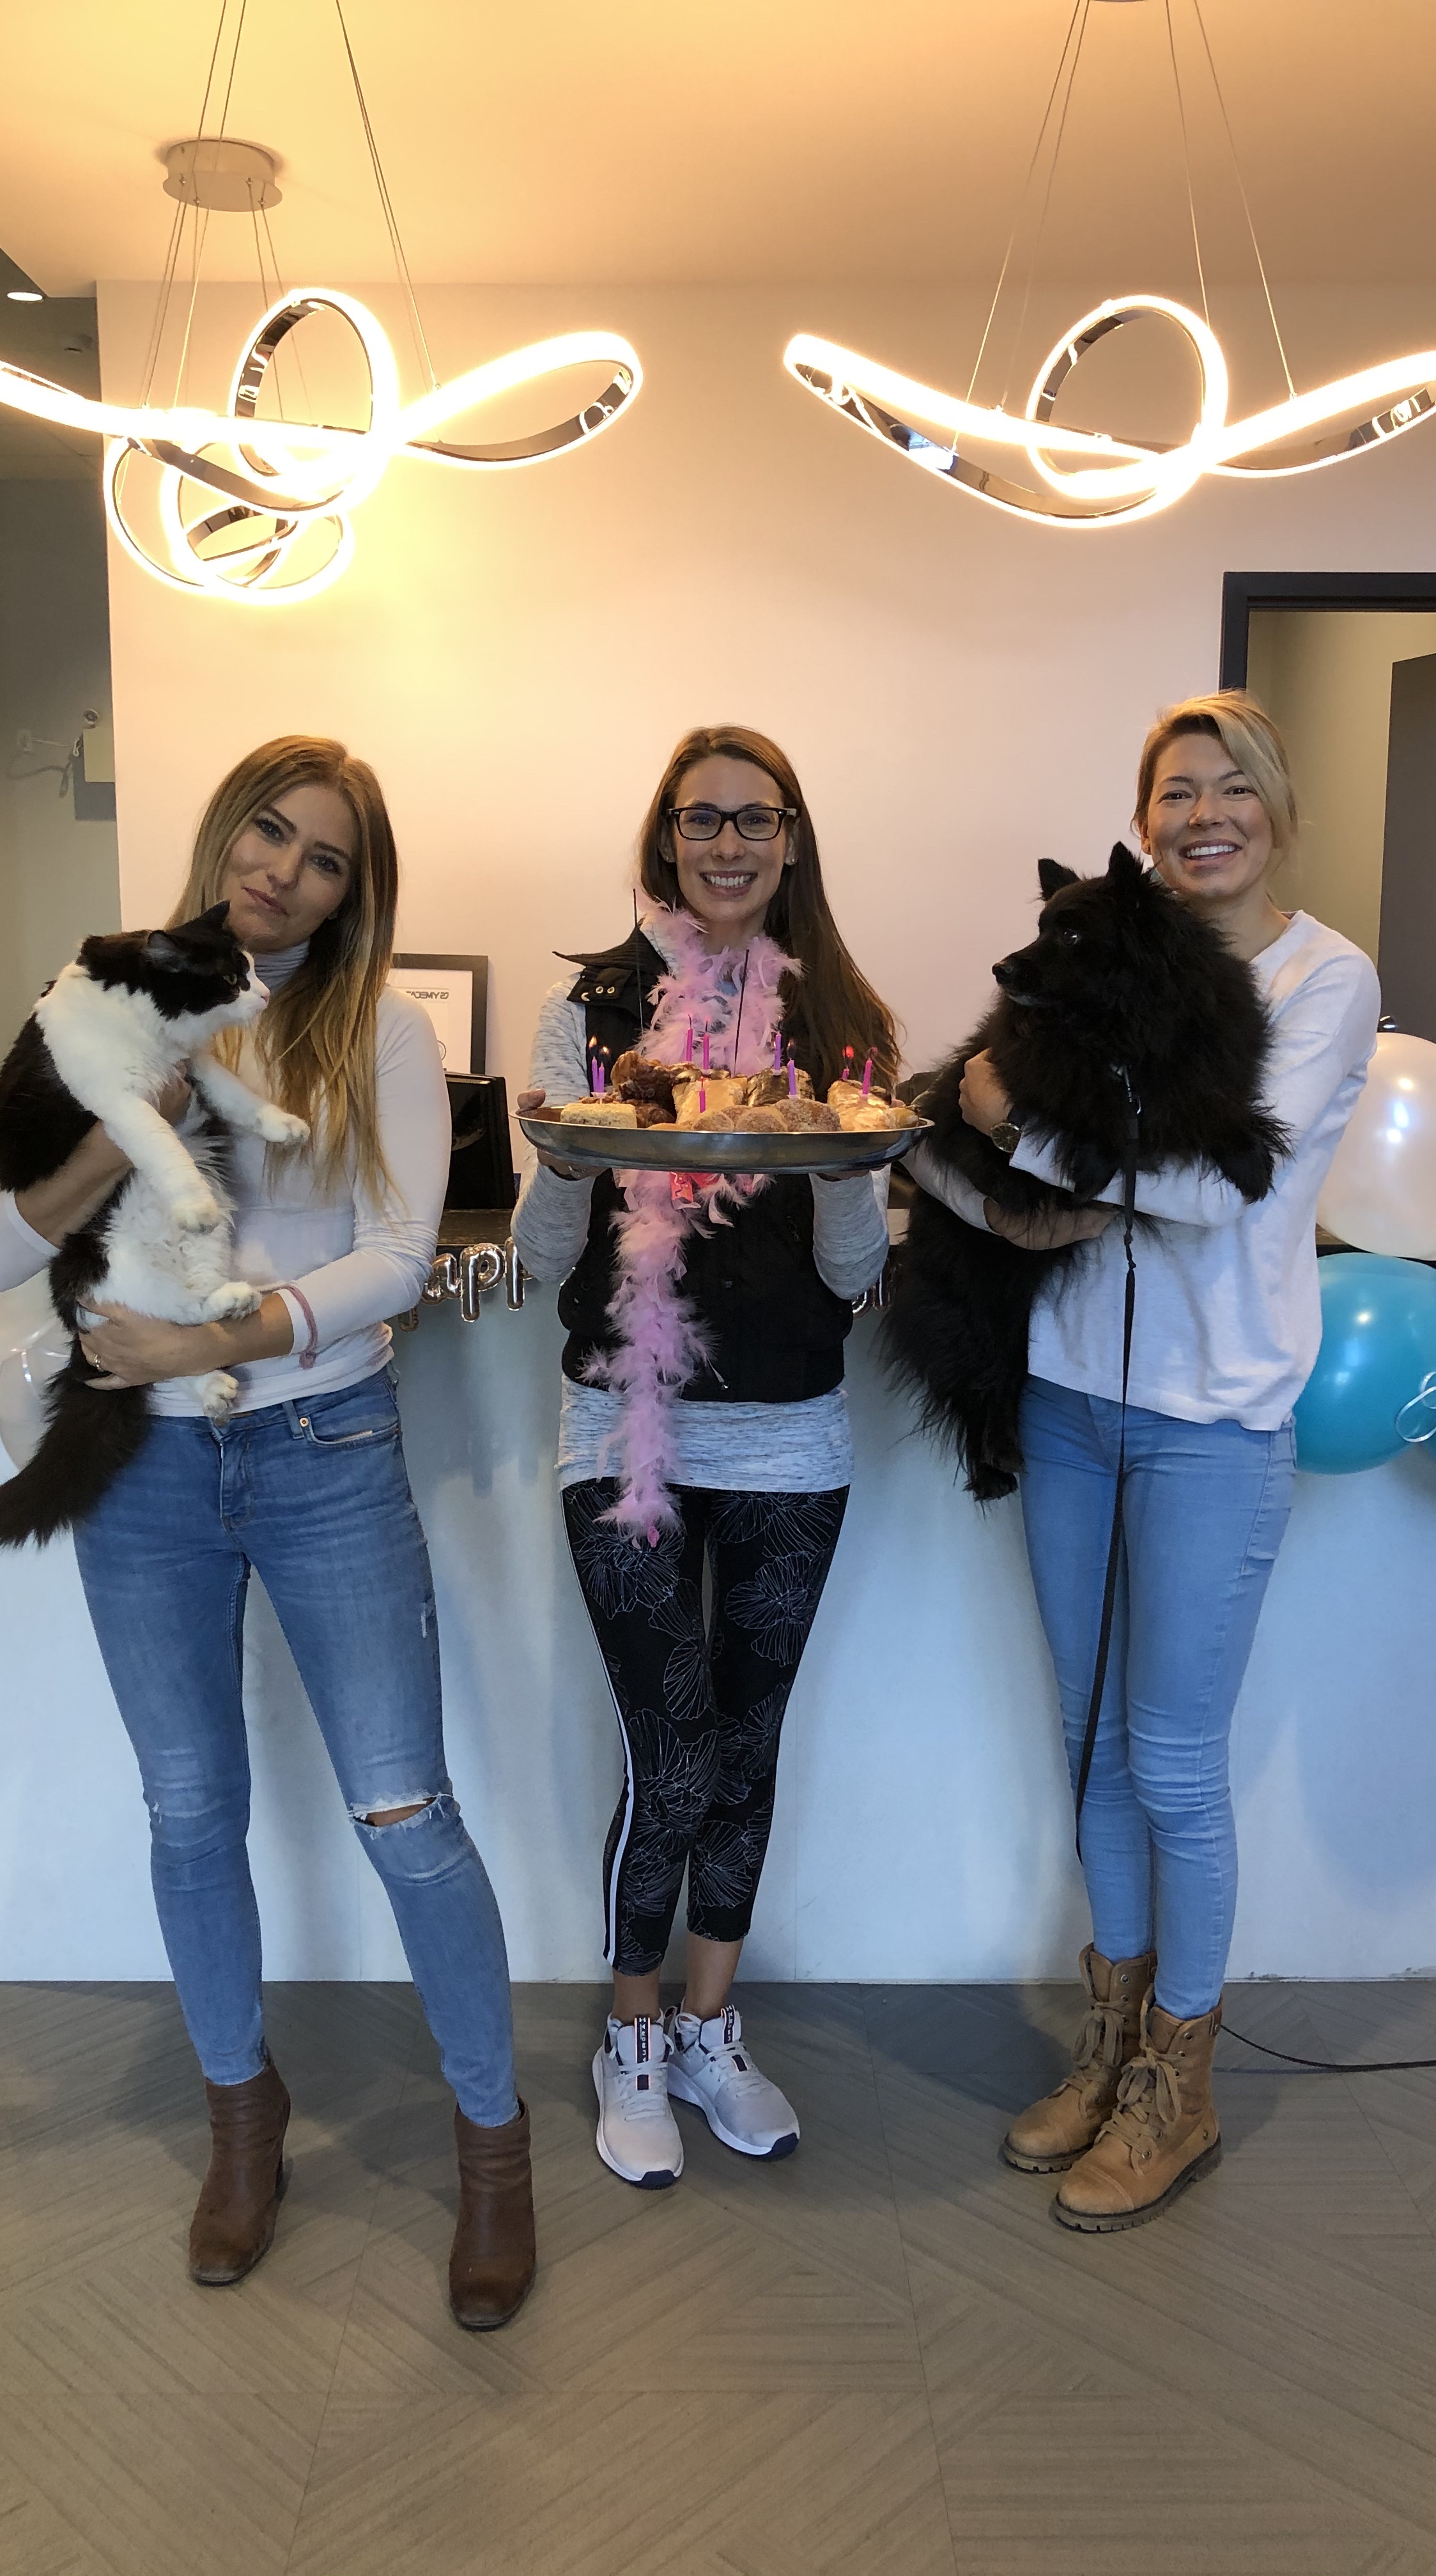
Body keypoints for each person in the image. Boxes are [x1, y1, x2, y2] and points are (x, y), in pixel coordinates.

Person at [0, 735, 535, 2327]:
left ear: (355, 893)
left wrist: (208, 1342)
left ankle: (495, 2151)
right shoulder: (98, 998)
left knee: (406, 1814)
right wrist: (119, 1127)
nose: (283, 869)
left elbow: (399, 1257)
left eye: (325, 856)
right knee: (189, 1810)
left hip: (323, 1449)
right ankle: (242, 2116)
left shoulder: (383, 1032)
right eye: (269, 832)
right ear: (227, 832)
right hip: (141, 1474)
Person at [908, 691, 1379, 2231]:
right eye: (1176, 790)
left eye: (1232, 786)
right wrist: (984, 1141)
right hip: (1069, 1399)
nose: (1203, 814)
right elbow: (1017, 1156)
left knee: (1172, 1759)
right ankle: (1110, 2047)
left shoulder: (1326, 981)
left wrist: (1010, 1123)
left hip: (1214, 1421)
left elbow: (1218, 1190)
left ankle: (1183, 2083)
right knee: (1090, 1742)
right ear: (1144, 820)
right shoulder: (1104, 957)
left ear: (1276, 806)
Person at [514, 723, 895, 2188]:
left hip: (793, 1432)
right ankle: (630, 2037)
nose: (727, 844)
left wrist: (849, 1161)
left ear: (792, 841)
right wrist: (565, 1161)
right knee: (669, 1751)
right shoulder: (593, 1015)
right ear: (665, 839)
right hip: (627, 1427)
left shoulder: (844, 1016)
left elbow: (853, 1276)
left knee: (747, 1744)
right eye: (700, 819)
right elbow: (547, 1257)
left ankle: (709, 2029)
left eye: (755, 819)